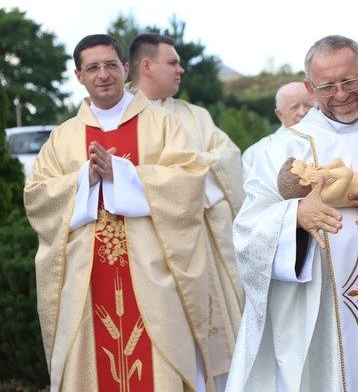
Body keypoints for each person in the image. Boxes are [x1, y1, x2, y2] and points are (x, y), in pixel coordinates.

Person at [24, 34, 215, 391]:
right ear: (79, 75)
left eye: (111, 65)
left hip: (152, 275)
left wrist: (122, 174)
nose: (103, 74)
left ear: (125, 69)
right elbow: (36, 197)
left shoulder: (163, 125)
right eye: (92, 67)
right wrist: (84, 179)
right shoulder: (63, 137)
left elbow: (191, 181)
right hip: (87, 278)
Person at [226, 35, 358, 392]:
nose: (341, 94)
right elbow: (248, 230)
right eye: (327, 86)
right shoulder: (283, 147)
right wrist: (295, 214)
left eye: (349, 81)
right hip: (316, 311)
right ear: (309, 88)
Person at [127, 33, 246, 390]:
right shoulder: (121, 117)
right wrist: (184, 174)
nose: (181, 69)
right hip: (147, 251)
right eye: (173, 62)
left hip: (200, 248)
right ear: (146, 66)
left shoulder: (196, 117)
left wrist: (181, 175)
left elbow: (228, 159)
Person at [241, 82, 316, 179]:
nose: (302, 112)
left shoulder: (329, 140)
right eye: (294, 107)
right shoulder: (256, 153)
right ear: (279, 114)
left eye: (308, 106)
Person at [276, 155, 358, 207]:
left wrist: (328, 168)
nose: (310, 163)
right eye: (305, 167)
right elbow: (346, 174)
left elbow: (339, 162)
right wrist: (329, 173)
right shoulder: (325, 196)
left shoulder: (325, 180)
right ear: (304, 181)